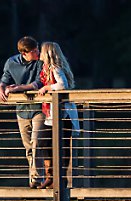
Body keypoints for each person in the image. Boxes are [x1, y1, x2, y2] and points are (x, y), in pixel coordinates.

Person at [0, 36, 46, 188]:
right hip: (21, 109)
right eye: (34, 51)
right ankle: (33, 179)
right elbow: (4, 79)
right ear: (24, 53)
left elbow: (39, 82)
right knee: (28, 147)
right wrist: (0, 88)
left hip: (39, 108)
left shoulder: (40, 61)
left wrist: (18, 88)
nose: (38, 52)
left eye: (37, 48)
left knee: (36, 142)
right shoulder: (11, 62)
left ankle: (37, 179)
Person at [35, 42, 80, 188]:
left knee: (63, 145)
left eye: (41, 51)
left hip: (62, 113)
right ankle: (51, 175)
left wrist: (47, 87)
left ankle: (60, 178)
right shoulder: (46, 68)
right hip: (52, 113)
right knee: (45, 141)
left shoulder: (55, 68)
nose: (40, 53)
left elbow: (62, 85)